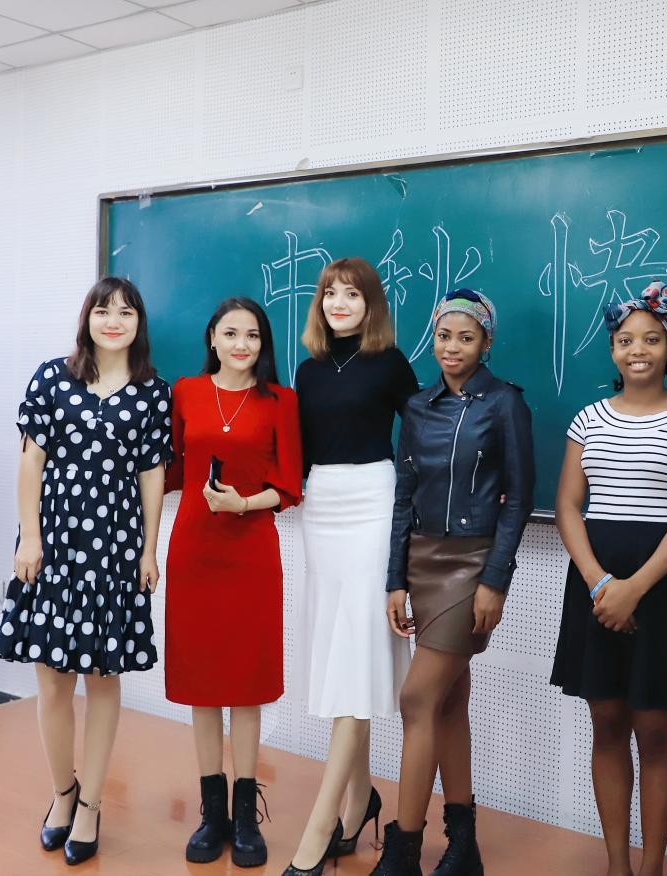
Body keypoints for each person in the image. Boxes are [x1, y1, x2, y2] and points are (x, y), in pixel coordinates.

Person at [0, 276, 171, 866]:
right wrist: (30, 537)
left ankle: (91, 804)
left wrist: (149, 549)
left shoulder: (153, 393)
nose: (113, 321)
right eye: (103, 310)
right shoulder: (52, 377)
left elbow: (152, 475)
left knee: (102, 676)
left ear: (139, 323)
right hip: (54, 544)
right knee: (51, 679)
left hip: (115, 548)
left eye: (125, 312)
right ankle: (62, 793)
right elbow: (31, 463)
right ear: (87, 319)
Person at [550, 282, 667, 876]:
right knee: (606, 725)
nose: (638, 351)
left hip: (662, 589)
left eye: (651, 339)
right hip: (594, 587)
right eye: (625, 341)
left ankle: (651, 868)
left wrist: (634, 588)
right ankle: (616, 866)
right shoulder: (588, 420)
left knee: (654, 731)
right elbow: (568, 505)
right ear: (612, 350)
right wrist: (601, 583)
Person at [372, 288, 535, 876]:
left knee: (416, 698)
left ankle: (403, 850)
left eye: (466, 337)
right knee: (446, 704)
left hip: (471, 563)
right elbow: (404, 497)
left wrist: (495, 580)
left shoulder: (505, 404)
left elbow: (519, 498)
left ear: (486, 342)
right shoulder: (418, 407)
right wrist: (395, 579)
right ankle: (464, 848)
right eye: (444, 336)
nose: (452, 348)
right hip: (422, 561)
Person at [286, 258, 419, 875]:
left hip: (373, 503)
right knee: (338, 650)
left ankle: (319, 829)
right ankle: (361, 798)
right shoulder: (307, 371)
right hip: (322, 507)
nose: (339, 302)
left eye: (352, 294)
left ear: (372, 305)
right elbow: (296, 452)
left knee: (356, 655)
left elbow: (425, 433)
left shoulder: (389, 363)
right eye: (330, 293)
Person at [163, 297, 303, 868]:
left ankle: (245, 816)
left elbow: (289, 485)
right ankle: (211, 813)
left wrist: (242, 502)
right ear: (212, 339)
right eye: (231, 333)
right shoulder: (185, 392)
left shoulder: (281, 401)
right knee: (202, 684)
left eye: (252, 335)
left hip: (250, 552)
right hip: (193, 550)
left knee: (246, 684)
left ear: (263, 344)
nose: (242, 344)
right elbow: (169, 468)